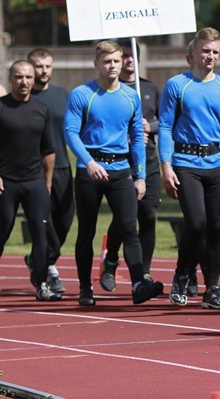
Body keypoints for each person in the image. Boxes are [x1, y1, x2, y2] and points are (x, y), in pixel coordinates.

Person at [65, 41, 164, 306]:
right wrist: (87, 161)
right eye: (107, 61)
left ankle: (137, 285)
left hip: (121, 169)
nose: (112, 66)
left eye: (116, 61)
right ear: (96, 63)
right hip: (90, 171)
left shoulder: (130, 96)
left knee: (129, 229)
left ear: (123, 63)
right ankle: (86, 288)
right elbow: (71, 132)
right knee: (86, 231)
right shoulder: (82, 94)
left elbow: (137, 135)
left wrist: (140, 175)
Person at [160, 27, 220, 310]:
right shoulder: (177, 85)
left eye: (215, 52)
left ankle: (213, 287)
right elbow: (164, 126)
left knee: (216, 227)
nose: (210, 56)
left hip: (215, 165)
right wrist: (166, 165)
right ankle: (182, 273)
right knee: (196, 222)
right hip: (185, 164)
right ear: (194, 52)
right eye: (206, 51)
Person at [99, 39, 162, 291]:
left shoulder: (148, 88)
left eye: (132, 54)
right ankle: (111, 260)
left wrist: (151, 126)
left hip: (148, 159)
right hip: (121, 161)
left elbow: (165, 121)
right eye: (124, 55)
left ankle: (143, 274)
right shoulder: (110, 90)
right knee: (125, 217)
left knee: (148, 215)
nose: (128, 60)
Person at [0, 60, 60, 301]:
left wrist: (46, 182)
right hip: (7, 183)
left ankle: (43, 284)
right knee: (1, 232)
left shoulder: (41, 109)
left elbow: (49, 150)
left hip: (34, 182)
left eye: (27, 77)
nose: (23, 82)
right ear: (10, 79)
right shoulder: (1, 108)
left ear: (33, 80)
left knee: (41, 234)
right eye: (18, 77)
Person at [29, 48, 73, 294]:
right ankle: (46, 270)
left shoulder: (61, 94)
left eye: (47, 66)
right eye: (38, 66)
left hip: (64, 166)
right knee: (43, 223)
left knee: (65, 221)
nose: (43, 71)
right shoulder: (25, 97)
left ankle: (41, 260)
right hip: (33, 170)